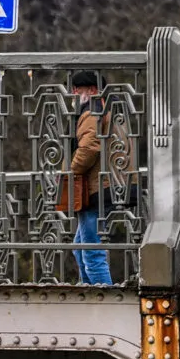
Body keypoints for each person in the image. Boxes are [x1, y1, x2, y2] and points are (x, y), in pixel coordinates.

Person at [61, 68, 111, 285]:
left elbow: (89, 147)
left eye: (77, 89)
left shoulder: (91, 111)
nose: (73, 94)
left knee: (91, 252)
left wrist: (70, 172)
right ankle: (88, 291)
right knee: (80, 248)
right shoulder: (105, 108)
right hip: (99, 186)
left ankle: (104, 298)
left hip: (93, 189)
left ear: (91, 90)